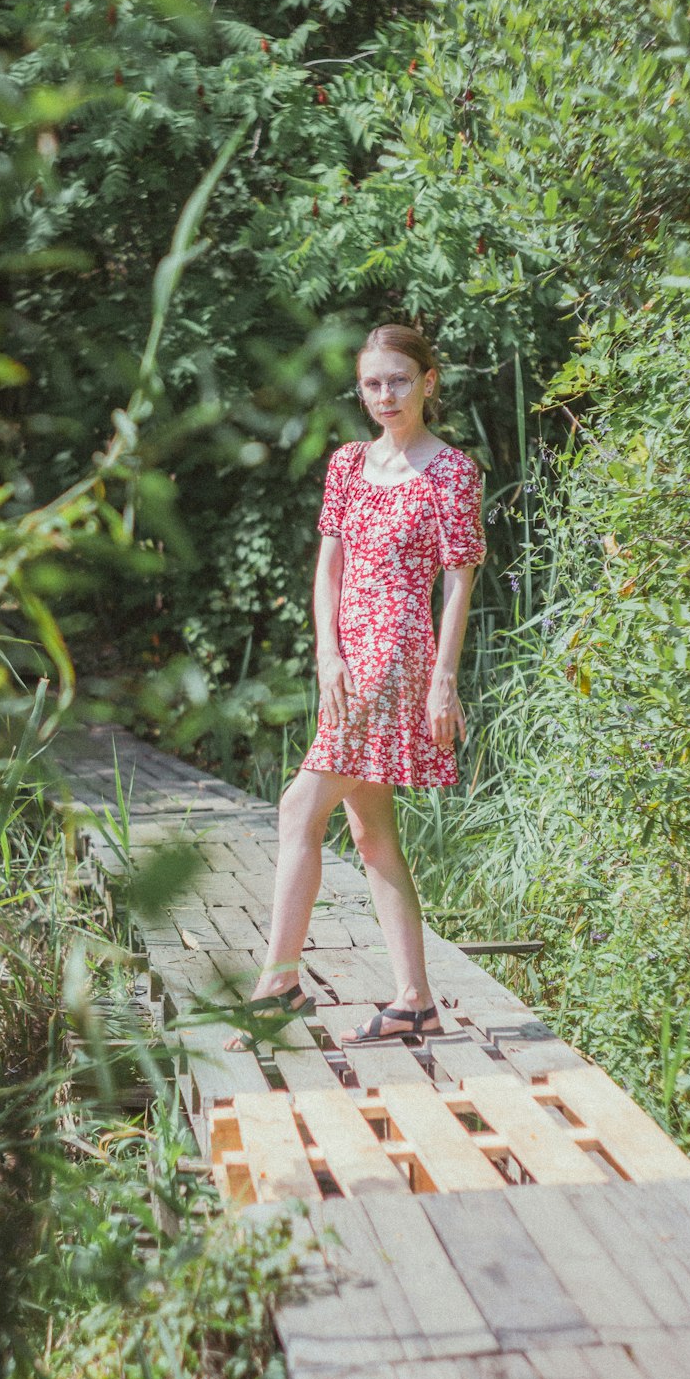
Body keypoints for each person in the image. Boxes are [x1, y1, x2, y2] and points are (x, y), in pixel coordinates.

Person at [225, 322, 485, 1049]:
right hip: (348, 657)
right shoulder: (346, 463)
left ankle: (277, 986)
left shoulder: (453, 471)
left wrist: (444, 680)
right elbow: (328, 569)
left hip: (398, 655)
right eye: (373, 382)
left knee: (297, 805)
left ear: (428, 382)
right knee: (370, 833)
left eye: (399, 379)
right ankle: (415, 1001)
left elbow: (460, 581)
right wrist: (324, 653)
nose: (385, 395)